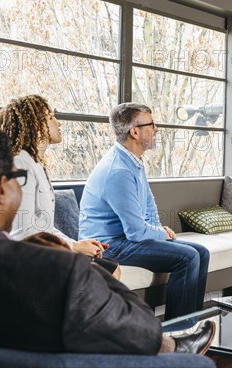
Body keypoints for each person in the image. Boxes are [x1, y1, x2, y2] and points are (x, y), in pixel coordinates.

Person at [0, 121, 215, 355]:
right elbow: (143, 329)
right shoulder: (60, 269)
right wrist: (79, 265)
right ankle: (180, 343)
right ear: (0, 190)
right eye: (17, 179)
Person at [79, 103, 210, 320]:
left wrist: (159, 230)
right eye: (151, 124)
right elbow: (136, 232)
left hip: (126, 239)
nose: (156, 129)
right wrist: (162, 234)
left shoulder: (134, 162)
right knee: (187, 257)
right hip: (108, 245)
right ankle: (177, 331)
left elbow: (149, 206)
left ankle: (192, 323)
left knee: (201, 252)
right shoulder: (118, 171)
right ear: (134, 131)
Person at [0, 95, 120, 278]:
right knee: (108, 272)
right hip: (27, 256)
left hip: (43, 250)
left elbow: (45, 227)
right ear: (35, 123)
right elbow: (24, 231)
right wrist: (74, 247)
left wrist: (76, 244)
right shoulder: (20, 163)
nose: (58, 123)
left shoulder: (35, 163)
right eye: (51, 117)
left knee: (111, 267)